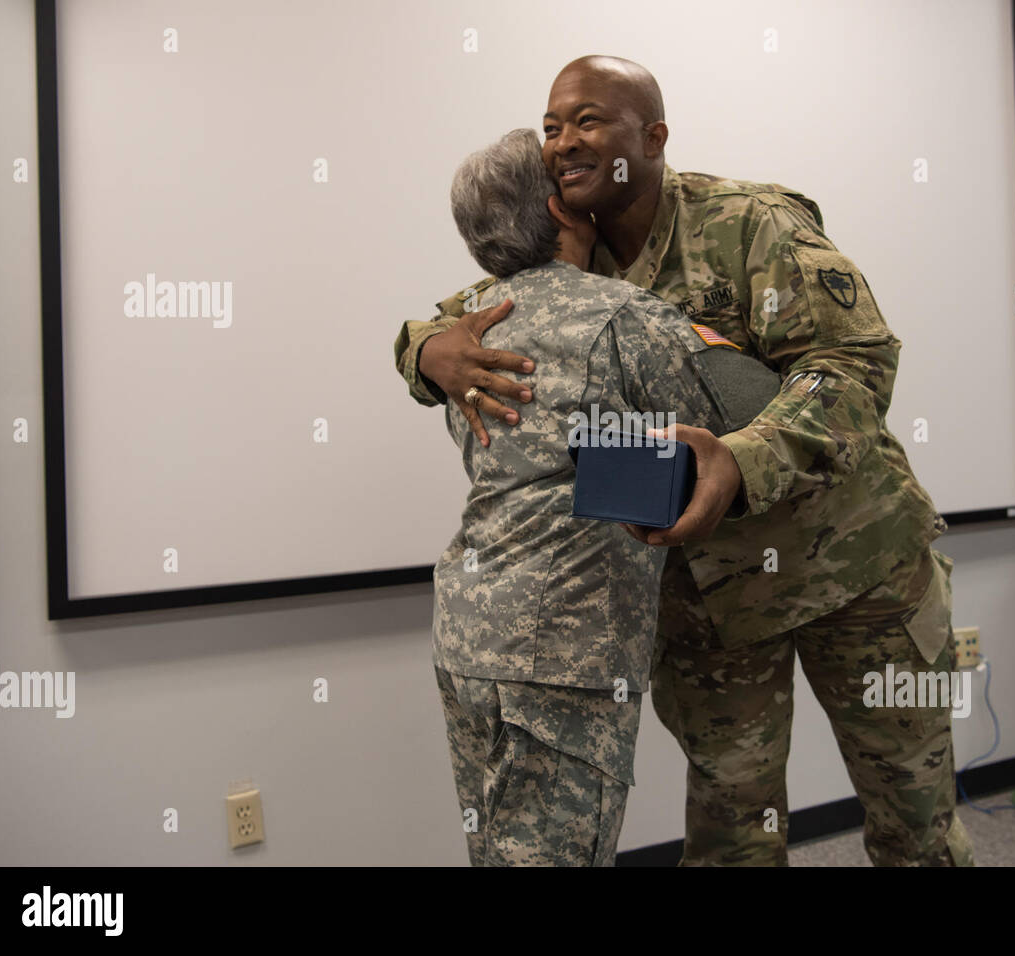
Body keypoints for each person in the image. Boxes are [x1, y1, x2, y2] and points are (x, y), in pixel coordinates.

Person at [395, 57, 975, 867]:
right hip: (711, 605)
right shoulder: (561, 261)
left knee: (914, 823)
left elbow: (852, 365)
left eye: (589, 120)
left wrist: (743, 457)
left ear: (653, 136)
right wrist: (429, 356)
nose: (563, 142)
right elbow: (441, 327)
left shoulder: (749, 224)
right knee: (732, 834)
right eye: (553, 126)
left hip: (855, 567)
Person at [429, 127, 781, 866]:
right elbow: (761, 404)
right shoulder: (620, 316)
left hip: (469, 629)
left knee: (498, 849)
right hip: (564, 645)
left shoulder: (463, 329)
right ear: (563, 211)